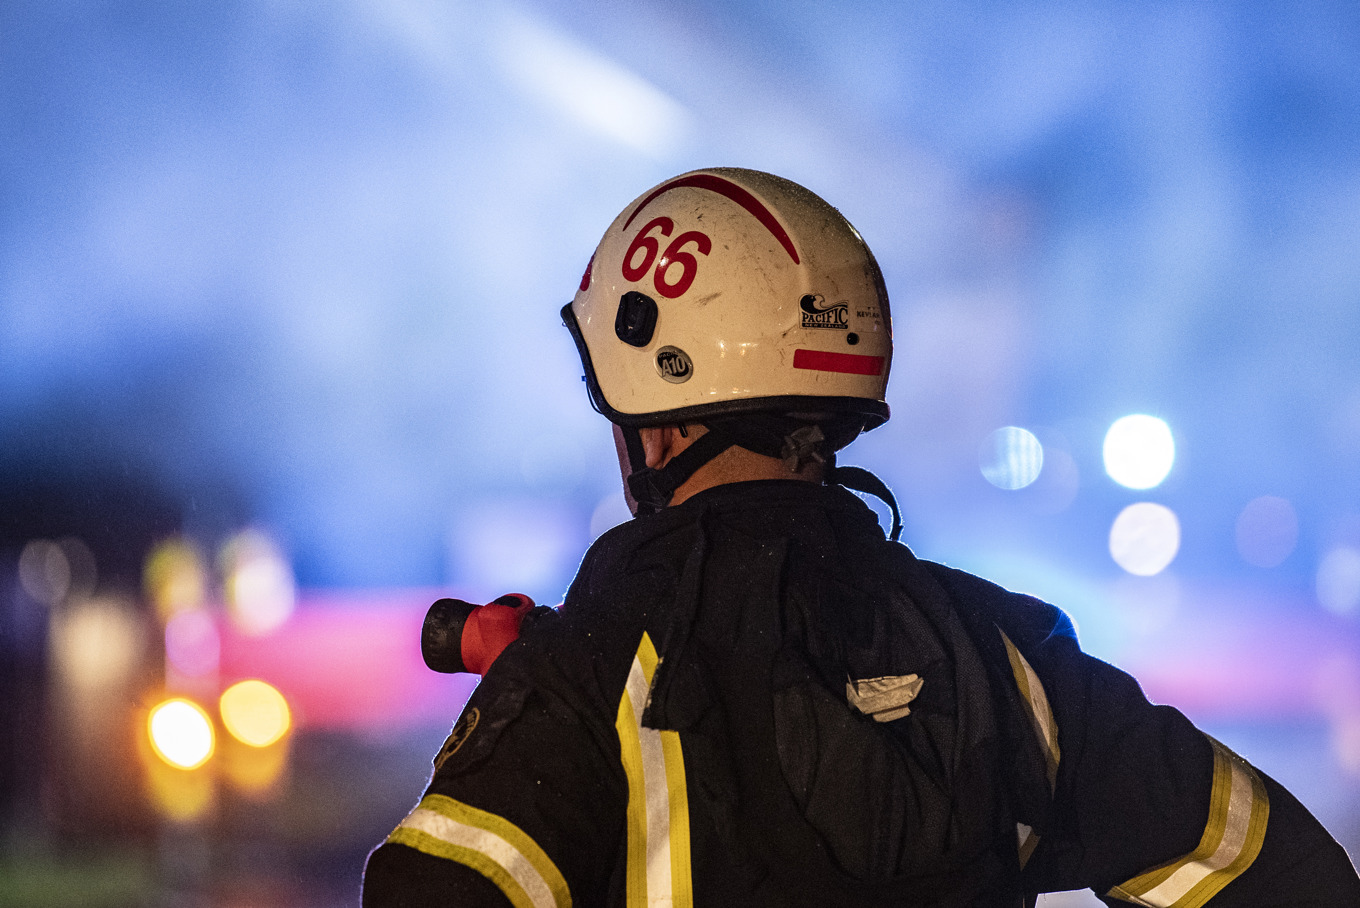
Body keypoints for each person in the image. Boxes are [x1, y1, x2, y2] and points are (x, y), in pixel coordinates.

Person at [362, 168, 1359, 907]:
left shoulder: (587, 672)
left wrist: (535, 685)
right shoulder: (999, 651)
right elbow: (1278, 871)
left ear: (655, 423)